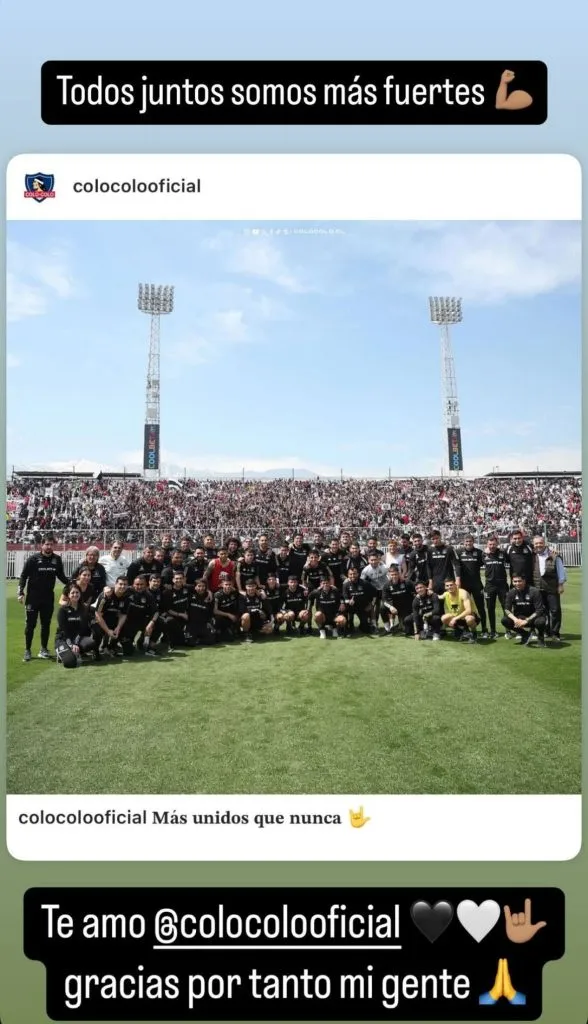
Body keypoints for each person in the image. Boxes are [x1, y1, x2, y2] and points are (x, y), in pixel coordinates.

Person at [18, 534, 68, 662]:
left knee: (46, 625)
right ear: (42, 545)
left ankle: (43, 649)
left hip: (48, 599)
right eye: (47, 544)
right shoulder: (33, 559)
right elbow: (23, 576)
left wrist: (73, 584)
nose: (49, 546)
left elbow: (61, 576)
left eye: (51, 544)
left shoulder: (57, 559)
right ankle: (27, 650)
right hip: (33, 599)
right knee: (30, 625)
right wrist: (21, 592)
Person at [532, 536, 567, 643]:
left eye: (540, 543)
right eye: (536, 543)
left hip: (552, 588)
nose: (538, 545)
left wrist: (560, 584)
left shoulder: (554, 555)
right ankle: (546, 631)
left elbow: (561, 571)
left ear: (545, 543)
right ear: (533, 545)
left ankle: (555, 633)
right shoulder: (532, 556)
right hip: (538, 588)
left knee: (555, 610)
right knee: (542, 612)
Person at [55, 583, 97, 667]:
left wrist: (76, 643)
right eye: (72, 593)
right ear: (68, 595)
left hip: (77, 638)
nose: (75, 595)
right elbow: (64, 631)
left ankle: (75, 652)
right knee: (70, 663)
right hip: (63, 639)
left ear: (80, 594)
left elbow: (82, 629)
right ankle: (63, 652)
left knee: (91, 643)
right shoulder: (63, 610)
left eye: (77, 592)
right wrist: (71, 644)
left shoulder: (83, 609)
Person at [119, 574, 160, 656]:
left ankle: (145, 644)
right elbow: (115, 590)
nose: (139, 586)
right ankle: (114, 646)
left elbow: (156, 612)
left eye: (142, 584)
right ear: (133, 584)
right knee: (128, 652)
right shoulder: (126, 591)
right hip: (128, 623)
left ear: (145, 585)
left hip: (142, 620)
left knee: (160, 622)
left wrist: (151, 623)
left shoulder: (149, 595)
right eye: (137, 584)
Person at [502, 574, 546, 647]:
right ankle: (525, 635)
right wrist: (515, 620)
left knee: (541, 621)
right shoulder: (511, 592)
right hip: (519, 619)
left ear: (524, 581)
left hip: (534, 618)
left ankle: (541, 637)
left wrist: (526, 620)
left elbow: (539, 610)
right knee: (505, 620)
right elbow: (507, 610)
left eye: (519, 581)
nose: (517, 583)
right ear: (512, 582)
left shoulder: (534, 591)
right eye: (515, 581)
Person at [456, 535, 488, 637]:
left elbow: (486, 563)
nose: (468, 543)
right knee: (464, 608)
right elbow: (457, 567)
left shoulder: (479, 552)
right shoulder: (459, 552)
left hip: (477, 584)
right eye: (466, 541)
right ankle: (466, 629)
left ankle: (484, 629)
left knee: (481, 607)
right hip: (464, 586)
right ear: (463, 542)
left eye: (470, 541)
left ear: (473, 542)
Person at [93, 576, 129, 656]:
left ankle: (111, 647)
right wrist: (108, 631)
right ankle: (96, 650)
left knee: (129, 650)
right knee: (97, 631)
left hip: (113, 618)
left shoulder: (127, 596)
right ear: (115, 584)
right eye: (120, 584)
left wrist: (118, 627)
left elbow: (123, 614)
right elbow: (98, 615)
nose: (123, 586)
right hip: (99, 618)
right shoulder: (106, 595)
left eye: (125, 584)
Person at [483, 536, 510, 638]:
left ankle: (508, 630)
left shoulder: (503, 553)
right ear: (487, 545)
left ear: (497, 544)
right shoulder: (483, 554)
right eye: (490, 544)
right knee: (490, 608)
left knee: (506, 608)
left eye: (494, 544)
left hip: (502, 585)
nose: (492, 546)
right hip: (489, 586)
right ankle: (493, 631)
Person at [441, 578, 480, 643]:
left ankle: (474, 634)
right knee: (444, 618)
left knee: (469, 619)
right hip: (458, 618)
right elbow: (438, 596)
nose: (449, 587)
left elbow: (468, 610)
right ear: (445, 587)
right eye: (447, 586)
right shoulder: (446, 594)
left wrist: (454, 619)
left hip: (470, 616)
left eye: (451, 585)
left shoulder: (463, 593)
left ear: (455, 585)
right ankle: (461, 631)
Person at [160, 570, 191, 651]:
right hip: (173, 616)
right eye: (177, 578)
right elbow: (168, 610)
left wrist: (208, 592)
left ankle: (182, 639)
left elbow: (201, 586)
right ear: (173, 580)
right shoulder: (167, 592)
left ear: (184, 579)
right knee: (169, 621)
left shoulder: (187, 588)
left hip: (186, 615)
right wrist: (180, 614)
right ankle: (171, 643)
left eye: (181, 578)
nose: (179, 580)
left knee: (190, 642)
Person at [381, 566, 415, 635]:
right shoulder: (386, 586)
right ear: (389, 575)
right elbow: (384, 600)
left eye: (395, 574)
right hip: (395, 608)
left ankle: (402, 624)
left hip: (406, 608)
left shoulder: (407, 582)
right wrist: (390, 607)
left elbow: (417, 588)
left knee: (408, 630)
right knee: (382, 607)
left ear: (399, 574)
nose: (394, 576)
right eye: (392, 575)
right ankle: (387, 629)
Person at [341, 566, 375, 636]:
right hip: (351, 607)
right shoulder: (345, 585)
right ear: (348, 575)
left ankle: (365, 625)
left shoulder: (365, 583)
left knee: (366, 629)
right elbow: (345, 598)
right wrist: (349, 601)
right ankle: (347, 626)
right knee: (343, 608)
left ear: (358, 574)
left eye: (354, 574)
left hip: (362, 607)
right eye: (350, 574)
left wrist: (371, 604)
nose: (352, 576)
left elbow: (375, 594)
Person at [360, 551, 389, 632]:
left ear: (378, 560)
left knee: (384, 607)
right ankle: (374, 625)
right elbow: (362, 583)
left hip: (384, 590)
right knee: (372, 607)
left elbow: (390, 578)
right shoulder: (365, 570)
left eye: (375, 559)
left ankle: (389, 625)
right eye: (371, 560)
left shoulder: (384, 567)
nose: (373, 562)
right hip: (373, 591)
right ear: (368, 560)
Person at [427, 531, 460, 595]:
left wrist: (458, 579)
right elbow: (428, 567)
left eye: (437, 538)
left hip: (448, 581)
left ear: (440, 537)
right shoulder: (430, 550)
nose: (435, 540)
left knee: (450, 603)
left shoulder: (449, 548)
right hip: (436, 582)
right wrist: (430, 582)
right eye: (433, 539)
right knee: (437, 602)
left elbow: (456, 564)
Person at [188, 578, 217, 645]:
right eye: (199, 586)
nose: (201, 588)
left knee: (212, 640)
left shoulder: (209, 597)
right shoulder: (190, 593)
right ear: (195, 587)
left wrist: (209, 622)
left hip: (203, 624)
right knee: (190, 642)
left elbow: (210, 612)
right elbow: (183, 585)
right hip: (191, 624)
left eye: (203, 586)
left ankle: (198, 640)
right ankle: (194, 639)